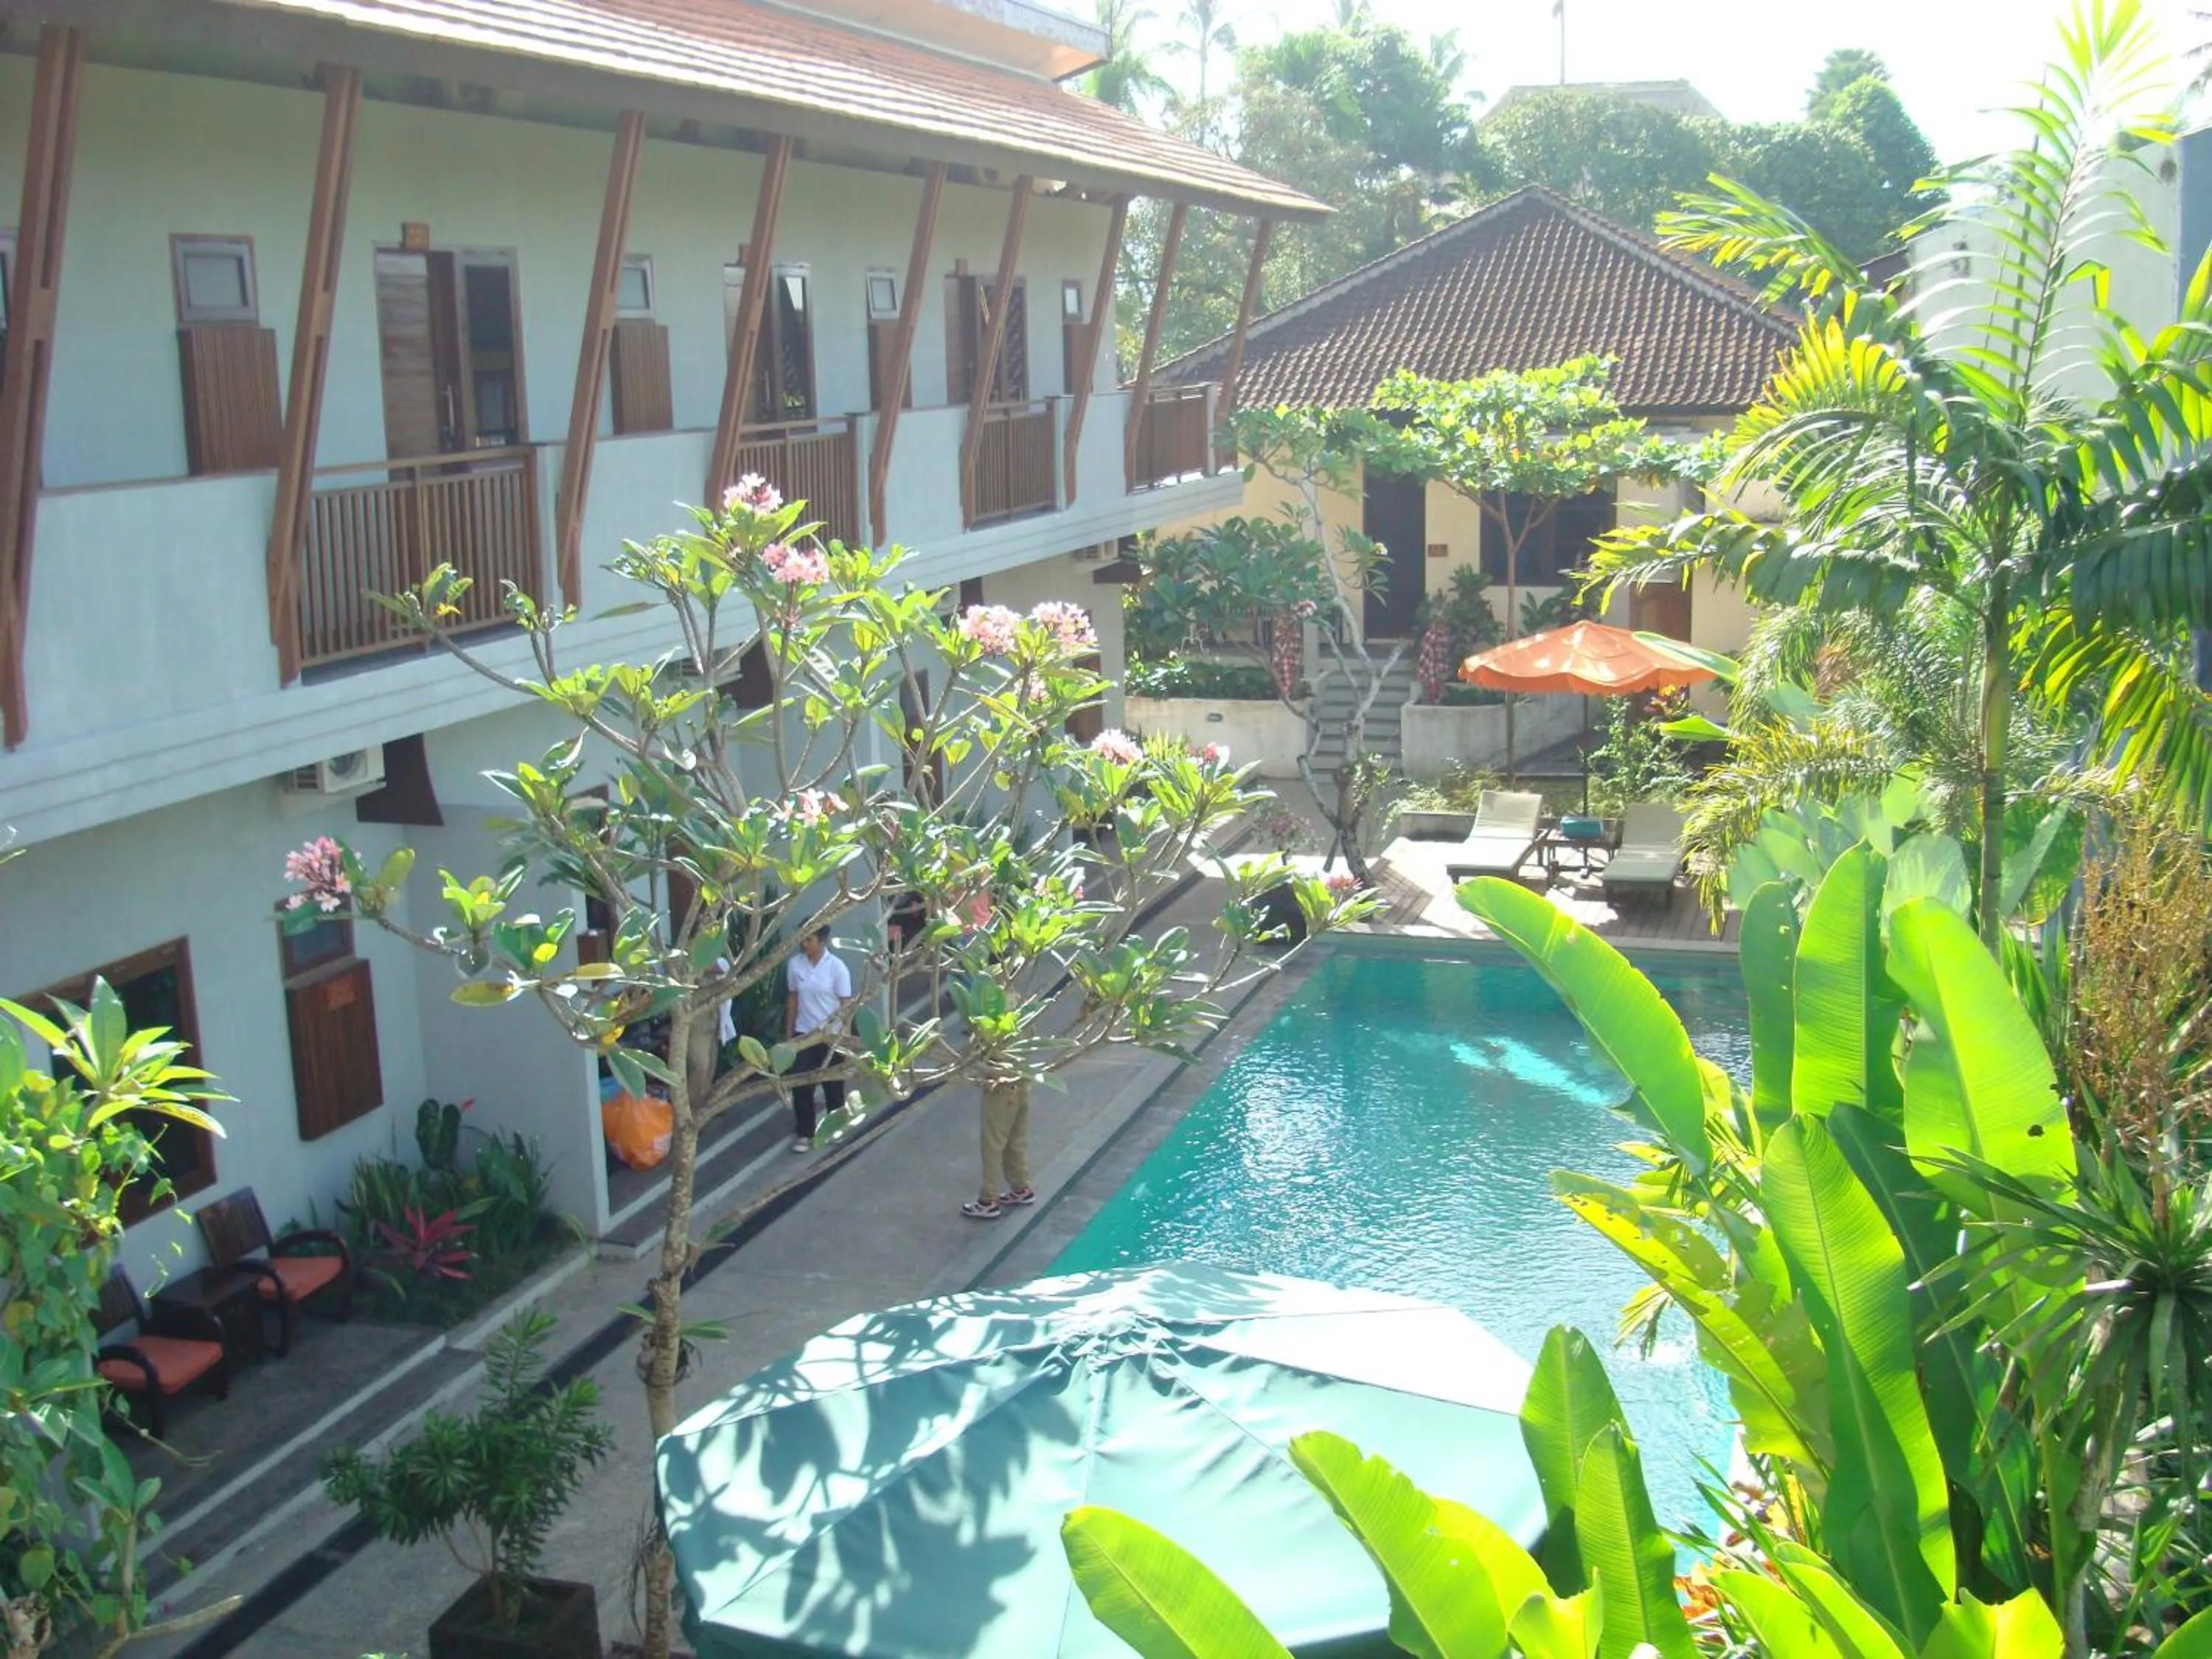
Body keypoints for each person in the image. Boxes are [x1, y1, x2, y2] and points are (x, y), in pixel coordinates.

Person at [785, 926, 852, 1153]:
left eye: (809, 940)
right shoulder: (795, 965)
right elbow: (793, 999)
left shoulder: (837, 968)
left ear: (822, 941)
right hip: (804, 1034)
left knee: (833, 1086)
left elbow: (846, 1006)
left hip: (832, 1036)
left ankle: (835, 1128)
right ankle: (805, 1133)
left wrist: (847, 1040)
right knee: (801, 1086)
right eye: (803, 939)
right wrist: (790, 1035)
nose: (805, 944)